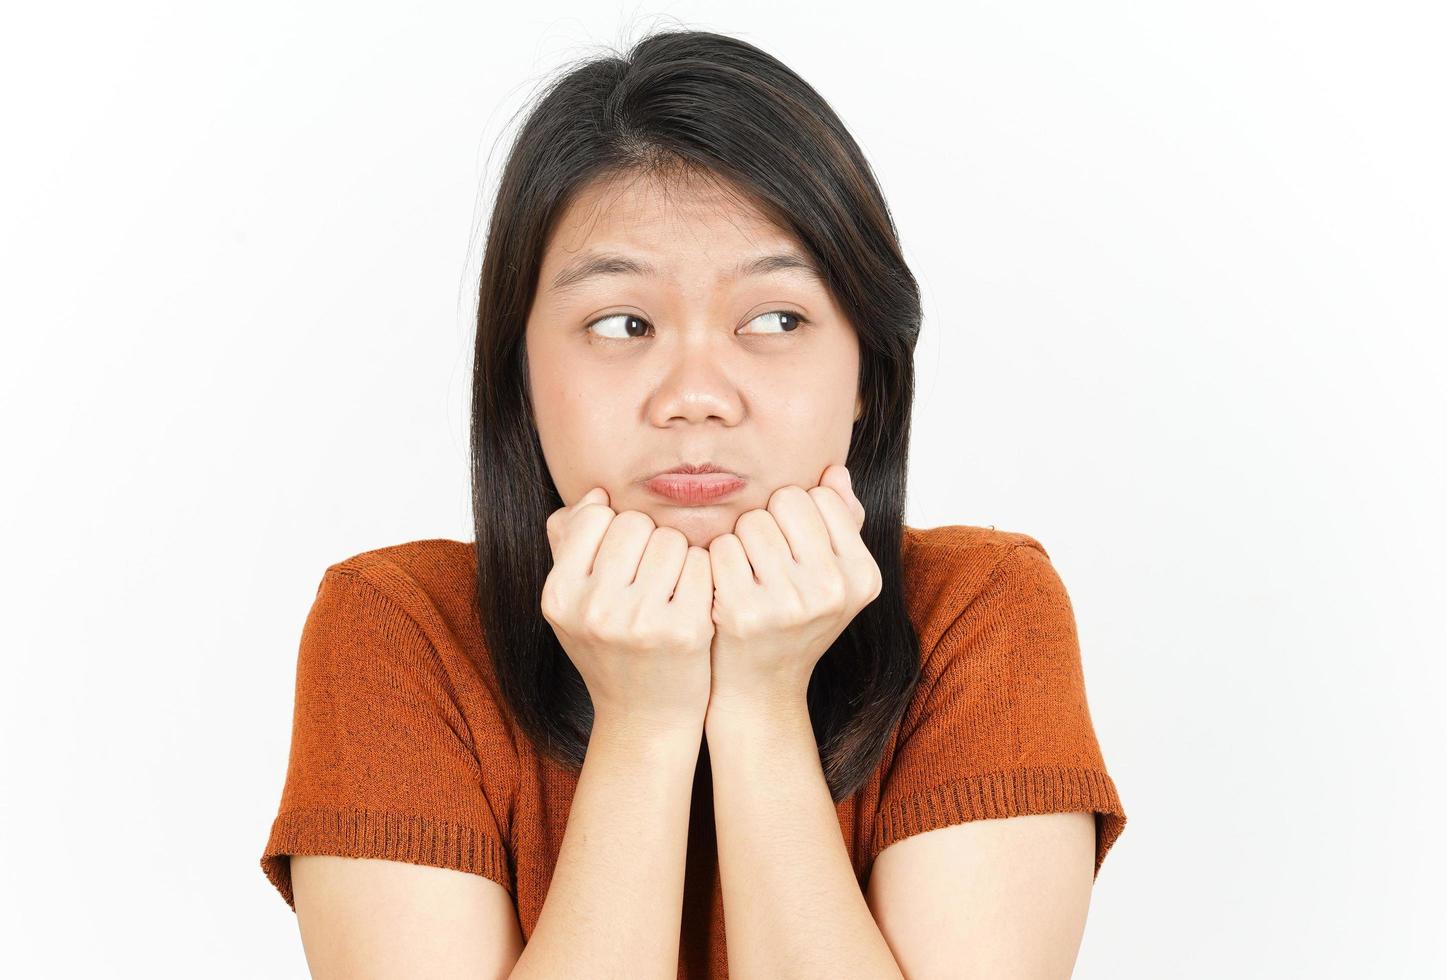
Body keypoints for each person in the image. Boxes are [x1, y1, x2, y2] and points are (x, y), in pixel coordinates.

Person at [259, 27, 1126, 980]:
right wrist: (642, 728)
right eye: (623, 323)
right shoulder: (399, 631)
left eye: (775, 319)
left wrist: (760, 704)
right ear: (519, 376)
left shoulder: (982, 613)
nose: (696, 393)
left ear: (870, 374)